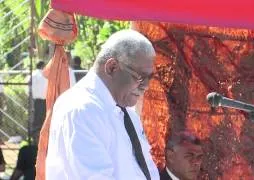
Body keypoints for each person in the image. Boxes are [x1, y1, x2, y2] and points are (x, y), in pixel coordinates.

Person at [45, 29, 159, 179]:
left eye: (150, 77)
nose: (145, 86)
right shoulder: (82, 109)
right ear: (112, 68)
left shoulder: (125, 111)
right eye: (140, 77)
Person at [25, 61, 48, 144]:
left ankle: (33, 138)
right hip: (45, 100)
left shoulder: (32, 75)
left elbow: (27, 89)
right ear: (43, 66)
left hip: (34, 100)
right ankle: (42, 138)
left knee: (34, 119)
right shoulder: (45, 75)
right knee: (43, 119)